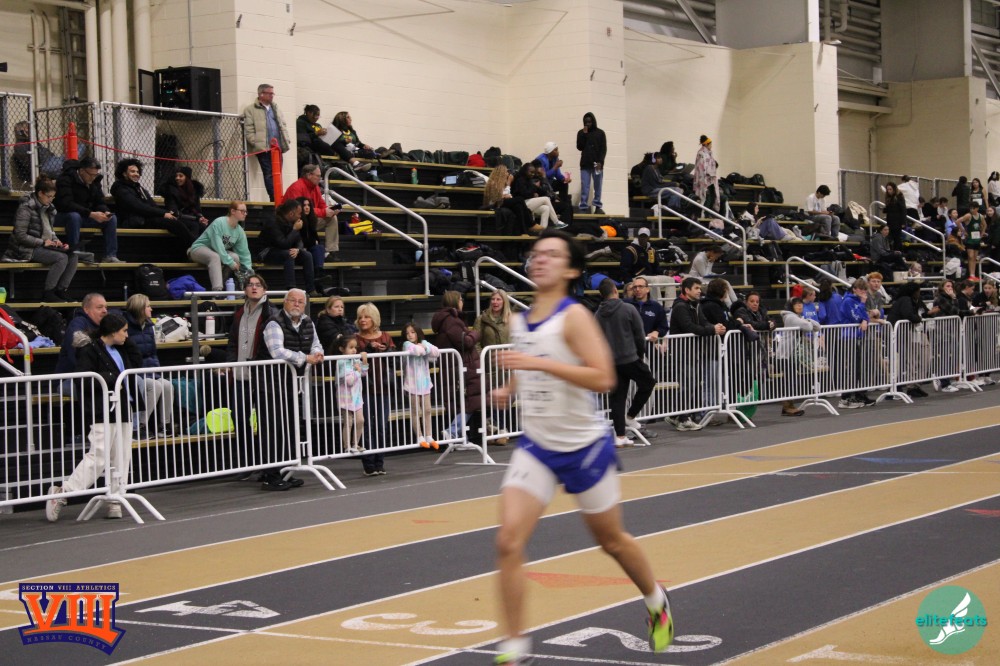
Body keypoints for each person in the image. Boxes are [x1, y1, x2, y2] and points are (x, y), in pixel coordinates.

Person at [490, 229, 674, 665]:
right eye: (537, 254)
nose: (541, 260)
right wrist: (510, 387)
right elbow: (528, 362)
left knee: (611, 541)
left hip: (582, 446)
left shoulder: (574, 317)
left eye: (552, 254)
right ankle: (515, 645)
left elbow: (604, 377)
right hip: (536, 446)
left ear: (572, 270)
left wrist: (537, 363)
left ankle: (655, 599)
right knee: (508, 541)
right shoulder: (521, 319)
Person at [46, 313, 140, 521]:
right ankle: (64, 492)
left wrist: (126, 340)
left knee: (122, 457)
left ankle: (116, 499)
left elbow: (137, 360)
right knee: (98, 456)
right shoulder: (89, 350)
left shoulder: (122, 348)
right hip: (102, 410)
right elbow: (84, 380)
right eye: (124, 331)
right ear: (112, 332)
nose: (127, 335)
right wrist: (112, 378)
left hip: (123, 407)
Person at [259, 288, 323, 488]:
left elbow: (316, 344)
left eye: (300, 302)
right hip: (270, 384)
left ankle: (284, 471)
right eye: (292, 300)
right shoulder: (274, 322)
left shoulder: (308, 322)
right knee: (273, 430)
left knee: (289, 429)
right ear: (285, 302)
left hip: (292, 385)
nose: (296, 304)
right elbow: (277, 352)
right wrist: (305, 358)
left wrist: (317, 353)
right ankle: (270, 477)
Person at [225, 274, 279, 480]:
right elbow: (232, 342)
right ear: (245, 290)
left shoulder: (271, 312)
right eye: (250, 285)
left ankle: (267, 464)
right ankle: (248, 462)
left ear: (264, 289)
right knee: (239, 418)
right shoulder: (239, 313)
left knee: (266, 421)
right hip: (241, 376)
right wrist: (231, 363)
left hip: (262, 376)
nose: (254, 288)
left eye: (258, 285)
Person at [596, 278, 656, 447]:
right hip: (630, 357)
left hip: (611, 361)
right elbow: (639, 335)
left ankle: (620, 436)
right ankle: (630, 416)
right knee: (648, 383)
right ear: (615, 290)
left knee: (617, 398)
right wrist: (640, 355)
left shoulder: (598, 314)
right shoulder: (628, 308)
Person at [3, 177, 77, 303]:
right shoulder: (26, 208)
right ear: (40, 193)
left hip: (44, 246)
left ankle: (61, 290)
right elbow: (20, 235)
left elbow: (50, 231)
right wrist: (42, 242)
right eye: (49, 196)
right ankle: (48, 292)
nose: (51, 199)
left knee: (73, 256)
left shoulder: (49, 209)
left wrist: (57, 241)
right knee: (61, 258)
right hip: (26, 248)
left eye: (53, 197)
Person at [669, 276, 726, 430]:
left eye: (700, 288)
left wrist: (716, 327)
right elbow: (689, 327)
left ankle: (675, 416)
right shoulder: (680, 307)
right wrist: (712, 329)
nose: (700, 291)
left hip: (693, 351)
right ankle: (683, 419)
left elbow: (703, 321)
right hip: (682, 351)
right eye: (696, 288)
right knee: (688, 385)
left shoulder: (696, 305)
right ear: (687, 290)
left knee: (692, 384)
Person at [432, 291, 482, 444]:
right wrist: (475, 334)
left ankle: (460, 437)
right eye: (460, 299)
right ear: (455, 301)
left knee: (465, 402)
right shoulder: (451, 321)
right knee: (471, 402)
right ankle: (452, 431)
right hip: (459, 366)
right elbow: (465, 342)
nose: (462, 302)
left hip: (455, 365)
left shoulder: (449, 319)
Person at [124, 294, 176, 437]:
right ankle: (140, 425)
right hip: (134, 372)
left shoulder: (149, 326)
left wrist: (156, 371)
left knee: (167, 385)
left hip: (150, 370)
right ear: (140, 308)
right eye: (148, 306)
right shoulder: (126, 327)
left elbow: (153, 353)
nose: (151, 309)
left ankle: (164, 425)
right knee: (154, 386)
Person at [54, 157, 122, 263]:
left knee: (111, 219)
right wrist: (90, 214)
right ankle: (74, 252)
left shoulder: (95, 181)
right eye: (91, 174)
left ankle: (110, 255)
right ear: (81, 171)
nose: (93, 178)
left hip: (85, 216)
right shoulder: (65, 179)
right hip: (62, 216)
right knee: (74, 216)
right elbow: (66, 204)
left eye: (95, 175)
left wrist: (105, 211)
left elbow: (99, 202)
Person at [355, 302, 394, 476]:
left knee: (381, 426)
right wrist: (368, 349)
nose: (362, 320)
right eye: (360, 317)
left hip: (383, 387)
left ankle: (380, 462)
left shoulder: (385, 336)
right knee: (367, 426)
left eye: (366, 317)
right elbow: (353, 357)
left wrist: (387, 350)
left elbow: (394, 360)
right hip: (363, 389)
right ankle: (369, 463)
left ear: (374, 318)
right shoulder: (356, 338)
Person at [188, 201, 253, 291]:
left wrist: (249, 271)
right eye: (242, 211)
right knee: (215, 257)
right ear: (233, 211)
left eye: (246, 211)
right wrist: (230, 262)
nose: (245, 214)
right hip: (198, 249)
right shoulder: (219, 222)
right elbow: (217, 246)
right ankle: (217, 292)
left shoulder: (239, 231)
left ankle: (223, 286)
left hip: (216, 252)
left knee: (235, 257)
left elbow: (244, 253)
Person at [259, 199, 319, 296]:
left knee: (307, 255)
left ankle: (311, 289)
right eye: (299, 213)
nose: (300, 216)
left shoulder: (292, 221)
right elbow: (283, 244)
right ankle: (291, 290)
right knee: (289, 254)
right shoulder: (273, 222)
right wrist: (294, 230)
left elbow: (299, 241)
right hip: (267, 251)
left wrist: (298, 249)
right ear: (291, 214)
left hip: (284, 250)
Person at [283, 163, 342, 262]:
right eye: (318, 176)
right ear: (309, 175)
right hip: (293, 222)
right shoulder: (296, 187)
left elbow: (321, 204)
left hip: (308, 220)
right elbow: (300, 210)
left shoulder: (315, 187)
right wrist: (323, 212)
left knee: (332, 218)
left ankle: (331, 251)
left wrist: (330, 210)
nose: (320, 178)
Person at [242, 83, 291, 201]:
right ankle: (274, 198)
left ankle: (278, 197)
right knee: (268, 173)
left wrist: (286, 139)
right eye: (269, 93)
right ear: (261, 94)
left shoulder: (276, 108)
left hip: (277, 148)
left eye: (272, 93)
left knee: (277, 174)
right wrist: (256, 142)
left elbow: (283, 125)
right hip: (263, 148)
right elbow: (249, 129)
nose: (272, 95)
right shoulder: (250, 110)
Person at [778, 297, 821, 416]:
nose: (799, 306)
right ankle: (788, 407)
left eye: (801, 303)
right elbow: (808, 327)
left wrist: (807, 320)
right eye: (796, 304)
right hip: (785, 354)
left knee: (791, 380)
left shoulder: (799, 318)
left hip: (793, 354)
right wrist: (807, 321)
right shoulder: (790, 317)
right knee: (789, 381)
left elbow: (818, 327)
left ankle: (788, 406)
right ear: (791, 306)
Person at [109, 158, 178, 230]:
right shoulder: (121, 189)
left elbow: (152, 205)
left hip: (145, 218)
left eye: (137, 172)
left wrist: (167, 213)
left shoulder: (139, 188)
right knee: (174, 224)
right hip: (135, 222)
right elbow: (138, 206)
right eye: (132, 171)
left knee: (181, 221)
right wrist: (163, 213)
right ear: (124, 174)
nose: (136, 174)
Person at [401, 322, 441, 449]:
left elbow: (436, 352)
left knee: (427, 409)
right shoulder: (406, 344)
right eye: (407, 333)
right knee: (415, 410)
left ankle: (429, 435)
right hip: (412, 383)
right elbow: (417, 351)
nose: (410, 335)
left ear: (418, 333)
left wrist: (425, 347)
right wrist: (424, 349)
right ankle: (419, 436)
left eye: (412, 332)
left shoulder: (423, 342)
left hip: (425, 383)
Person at [887, 281, 930, 398]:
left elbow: (924, 312)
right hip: (901, 333)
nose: (919, 293)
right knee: (907, 361)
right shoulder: (905, 300)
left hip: (909, 333)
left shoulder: (916, 301)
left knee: (914, 360)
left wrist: (923, 316)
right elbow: (909, 315)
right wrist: (919, 318)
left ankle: (913, 386)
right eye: (918, 291)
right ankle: (898, 387)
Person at [837, 278, 876, 408]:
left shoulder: (859, 301)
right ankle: (845, 398)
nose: (863, 292)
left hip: (857, 336)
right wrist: (864, 316)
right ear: (854, 289)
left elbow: (865, 316)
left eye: (865, 289)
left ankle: (859, 395)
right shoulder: (848, 301)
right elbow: (856, 317)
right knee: (851, 368)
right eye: (860, 289)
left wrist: (865, 320)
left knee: (859, 368)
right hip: (848, 337)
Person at [55, 292, 109, 374]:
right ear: (86, 309)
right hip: (72, 378)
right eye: (99, 307)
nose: (105, 311)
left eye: (106, 307)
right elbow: (77, 353)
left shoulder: (106, 326)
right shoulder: (78, 323)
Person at [333, 334, 368, 455]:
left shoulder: (355, 359)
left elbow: (364, 373)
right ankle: (347, 446)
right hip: (345, 396)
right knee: (348, 421)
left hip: (357, 395)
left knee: (360, 420)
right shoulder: (341, 362)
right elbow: (349, 380)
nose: (354, 350)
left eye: (355, 347)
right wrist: (357, 371)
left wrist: (364, 361)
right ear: (342, 349)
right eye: (351, 347)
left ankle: (355, 444)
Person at [161, 166, 210, 246]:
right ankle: (194, 249)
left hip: (190, 218)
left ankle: (201, 248)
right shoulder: (171, 190)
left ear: (187, 178)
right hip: (177, 218)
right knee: (194, 225)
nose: (177, 178)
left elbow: (197, 209)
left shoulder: (193, 191)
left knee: (203, 225)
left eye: (181, 176)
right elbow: (173, 211)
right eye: (176, 176)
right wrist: (196, 218)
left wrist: (200, 217)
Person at [483, 166, 533, 236]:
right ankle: (531, 224)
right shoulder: (493, 182)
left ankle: (523, 232)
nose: (508, 174)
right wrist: (508, 184)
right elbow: (495, 197)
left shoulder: (503, 183)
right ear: (501, 173)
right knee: (520, 199)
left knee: (518, 206)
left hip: (502, 201)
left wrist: (505, 194)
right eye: (506, 172)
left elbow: (507, 194)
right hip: (495, 204)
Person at [510, 163, 558, 232]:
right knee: (546, 199)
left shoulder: (529, 180)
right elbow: (524, 194)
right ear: (525, 171)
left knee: (546, 208)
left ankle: (542, 233)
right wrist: (534, 189)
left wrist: (539, 185)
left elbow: (543, 192)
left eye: (534, 172)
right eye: (531, 172)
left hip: (529, 203)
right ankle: (556, 222)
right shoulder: (520, 180)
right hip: (522, 205)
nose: (533, 174)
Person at [576, 112, 607, 214]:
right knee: (585, 186)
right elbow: (580, 147)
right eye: (586, 122)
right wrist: (584, 134)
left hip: (597, 163)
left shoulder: (600, 133)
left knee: (598, 185)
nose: (588, 124)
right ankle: (583, 207)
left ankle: (597, 206)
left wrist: (600, 161)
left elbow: (603, 149)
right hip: (585, 163)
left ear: (593, 121)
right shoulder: (581, 133)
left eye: (589, 122)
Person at [626, 276, 668, 340]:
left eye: (640, 286)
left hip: (648, 344)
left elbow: (663, 327)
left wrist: (657, 332)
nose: (637, 289)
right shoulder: (625, 304)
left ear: (647, 289)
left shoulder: (656, 307)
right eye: (635, 287)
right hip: (629, 344)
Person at [296, 104, 331, 170]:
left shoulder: (318, 125)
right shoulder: (300, 122)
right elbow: (303, 139)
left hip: (321, 147)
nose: (316, 117)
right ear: (308, 113)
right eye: (315, 115)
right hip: (309, 147)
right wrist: (316, 133)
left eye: (318, 115)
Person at [693, 135, 721, 212]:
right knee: (705, 196)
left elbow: (712, 164)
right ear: (706, 144)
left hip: (711, 179)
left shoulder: (709, 153)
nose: (711, 146)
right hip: (704, 178)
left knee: (713, 195)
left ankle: (709, 212)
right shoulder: (701, 153)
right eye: (710, 144)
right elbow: (701, 168)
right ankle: (704, 213)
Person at [883, 182, 906, 251]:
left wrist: (903, 222)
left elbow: (903, 209)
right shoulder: (889, 198)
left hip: (897, 221)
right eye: (888, 189)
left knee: (897, 238)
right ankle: (892, 251)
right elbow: (889, 208)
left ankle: (897, 252)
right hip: (890, 220)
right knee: (891, 237)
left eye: (890, 189)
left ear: (894, 189)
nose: (889, 191)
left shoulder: (899, 196)